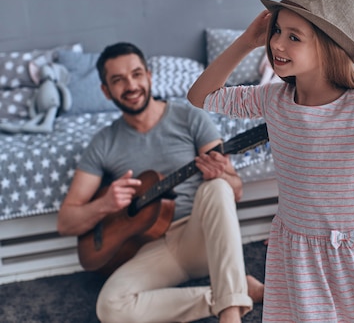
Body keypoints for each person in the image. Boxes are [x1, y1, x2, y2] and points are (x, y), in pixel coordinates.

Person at [187, 0, 354, 322]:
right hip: (299, 251)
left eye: (294, 37)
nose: (278, 44)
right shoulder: (273, 99)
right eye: (277, 31)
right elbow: (201, 96)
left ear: (327, 46)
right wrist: (246, 42)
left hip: (353, 253)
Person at [57, 42, 263, 323]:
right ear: (105, 91)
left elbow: (234, 190)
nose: (130, 85)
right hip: (153, 249)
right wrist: (104, 205)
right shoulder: (103, 143)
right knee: (110, 307)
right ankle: (235, 292)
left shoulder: (190, 117)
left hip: (201, 236)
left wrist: (222, 175)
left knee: (216, 187)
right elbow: (66, 221)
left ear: (149, 76)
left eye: (136, 74)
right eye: (118, 80)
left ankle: (230, 315)